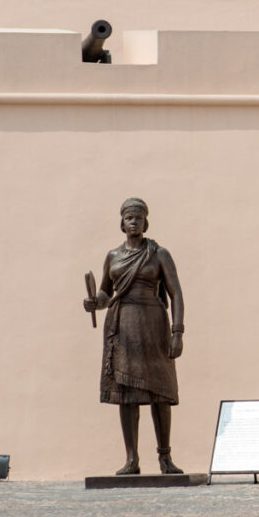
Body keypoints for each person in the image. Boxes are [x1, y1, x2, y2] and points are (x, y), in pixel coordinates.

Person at [83, 197, 185, 475]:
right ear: (122, 223)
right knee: (127, 394)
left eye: (139, 218)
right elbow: (106, 293)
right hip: (123, 325)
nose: (134, 222)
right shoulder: (113, 256)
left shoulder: (159, 253)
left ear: (145, 222)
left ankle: (165, 458)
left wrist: (178, 332)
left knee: (161, 392)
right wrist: (95, 303)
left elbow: (176, 292)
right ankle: (132, 459)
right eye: (130, 218)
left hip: (153, 324)